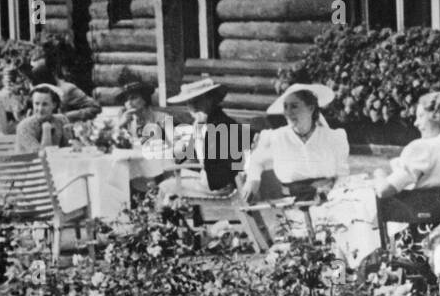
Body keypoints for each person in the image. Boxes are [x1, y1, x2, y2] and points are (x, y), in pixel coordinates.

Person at [242, 83, 349, 203]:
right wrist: (253, 179)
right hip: (292, 203)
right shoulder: (276, 138)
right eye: (285, 107)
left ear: (311, 108)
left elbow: (343, 175)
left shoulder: (333, 137)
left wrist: (335, 197)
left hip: (329, 200)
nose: (288, 112)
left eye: (294, 106)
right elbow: (256, 160)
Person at [158, 78, 245, 206]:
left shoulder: (221, 125)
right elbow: (192, 156)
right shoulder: (200, 124)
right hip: (208, 178)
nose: (193, 108)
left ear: (210, 100)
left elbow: (223, 167)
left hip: (221, 185)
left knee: (164, 187)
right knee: (172, 179)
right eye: (189, 103)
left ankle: (159, 222)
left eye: (197, 102)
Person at [29, 58, 100, 124]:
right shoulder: (37, 91)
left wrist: (66, 117)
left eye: (42, 76)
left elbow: (95, 107)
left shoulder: (68, 89)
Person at [13, 84, 70, 151]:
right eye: (36, 104)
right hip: (28, 160)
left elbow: (70, 147)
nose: (40, 109)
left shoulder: (61, 120)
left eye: (45, 104)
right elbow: (42, 155)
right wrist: (46, 130)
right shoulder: (24, 127)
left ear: (54, 105)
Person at [115, 79, 165, 148]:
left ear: (145, 99)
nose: (129, 103)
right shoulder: (127, 121)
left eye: (133, 98)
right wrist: (120, 125)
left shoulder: (162, 118)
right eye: (126, 100)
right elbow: (113, 143)